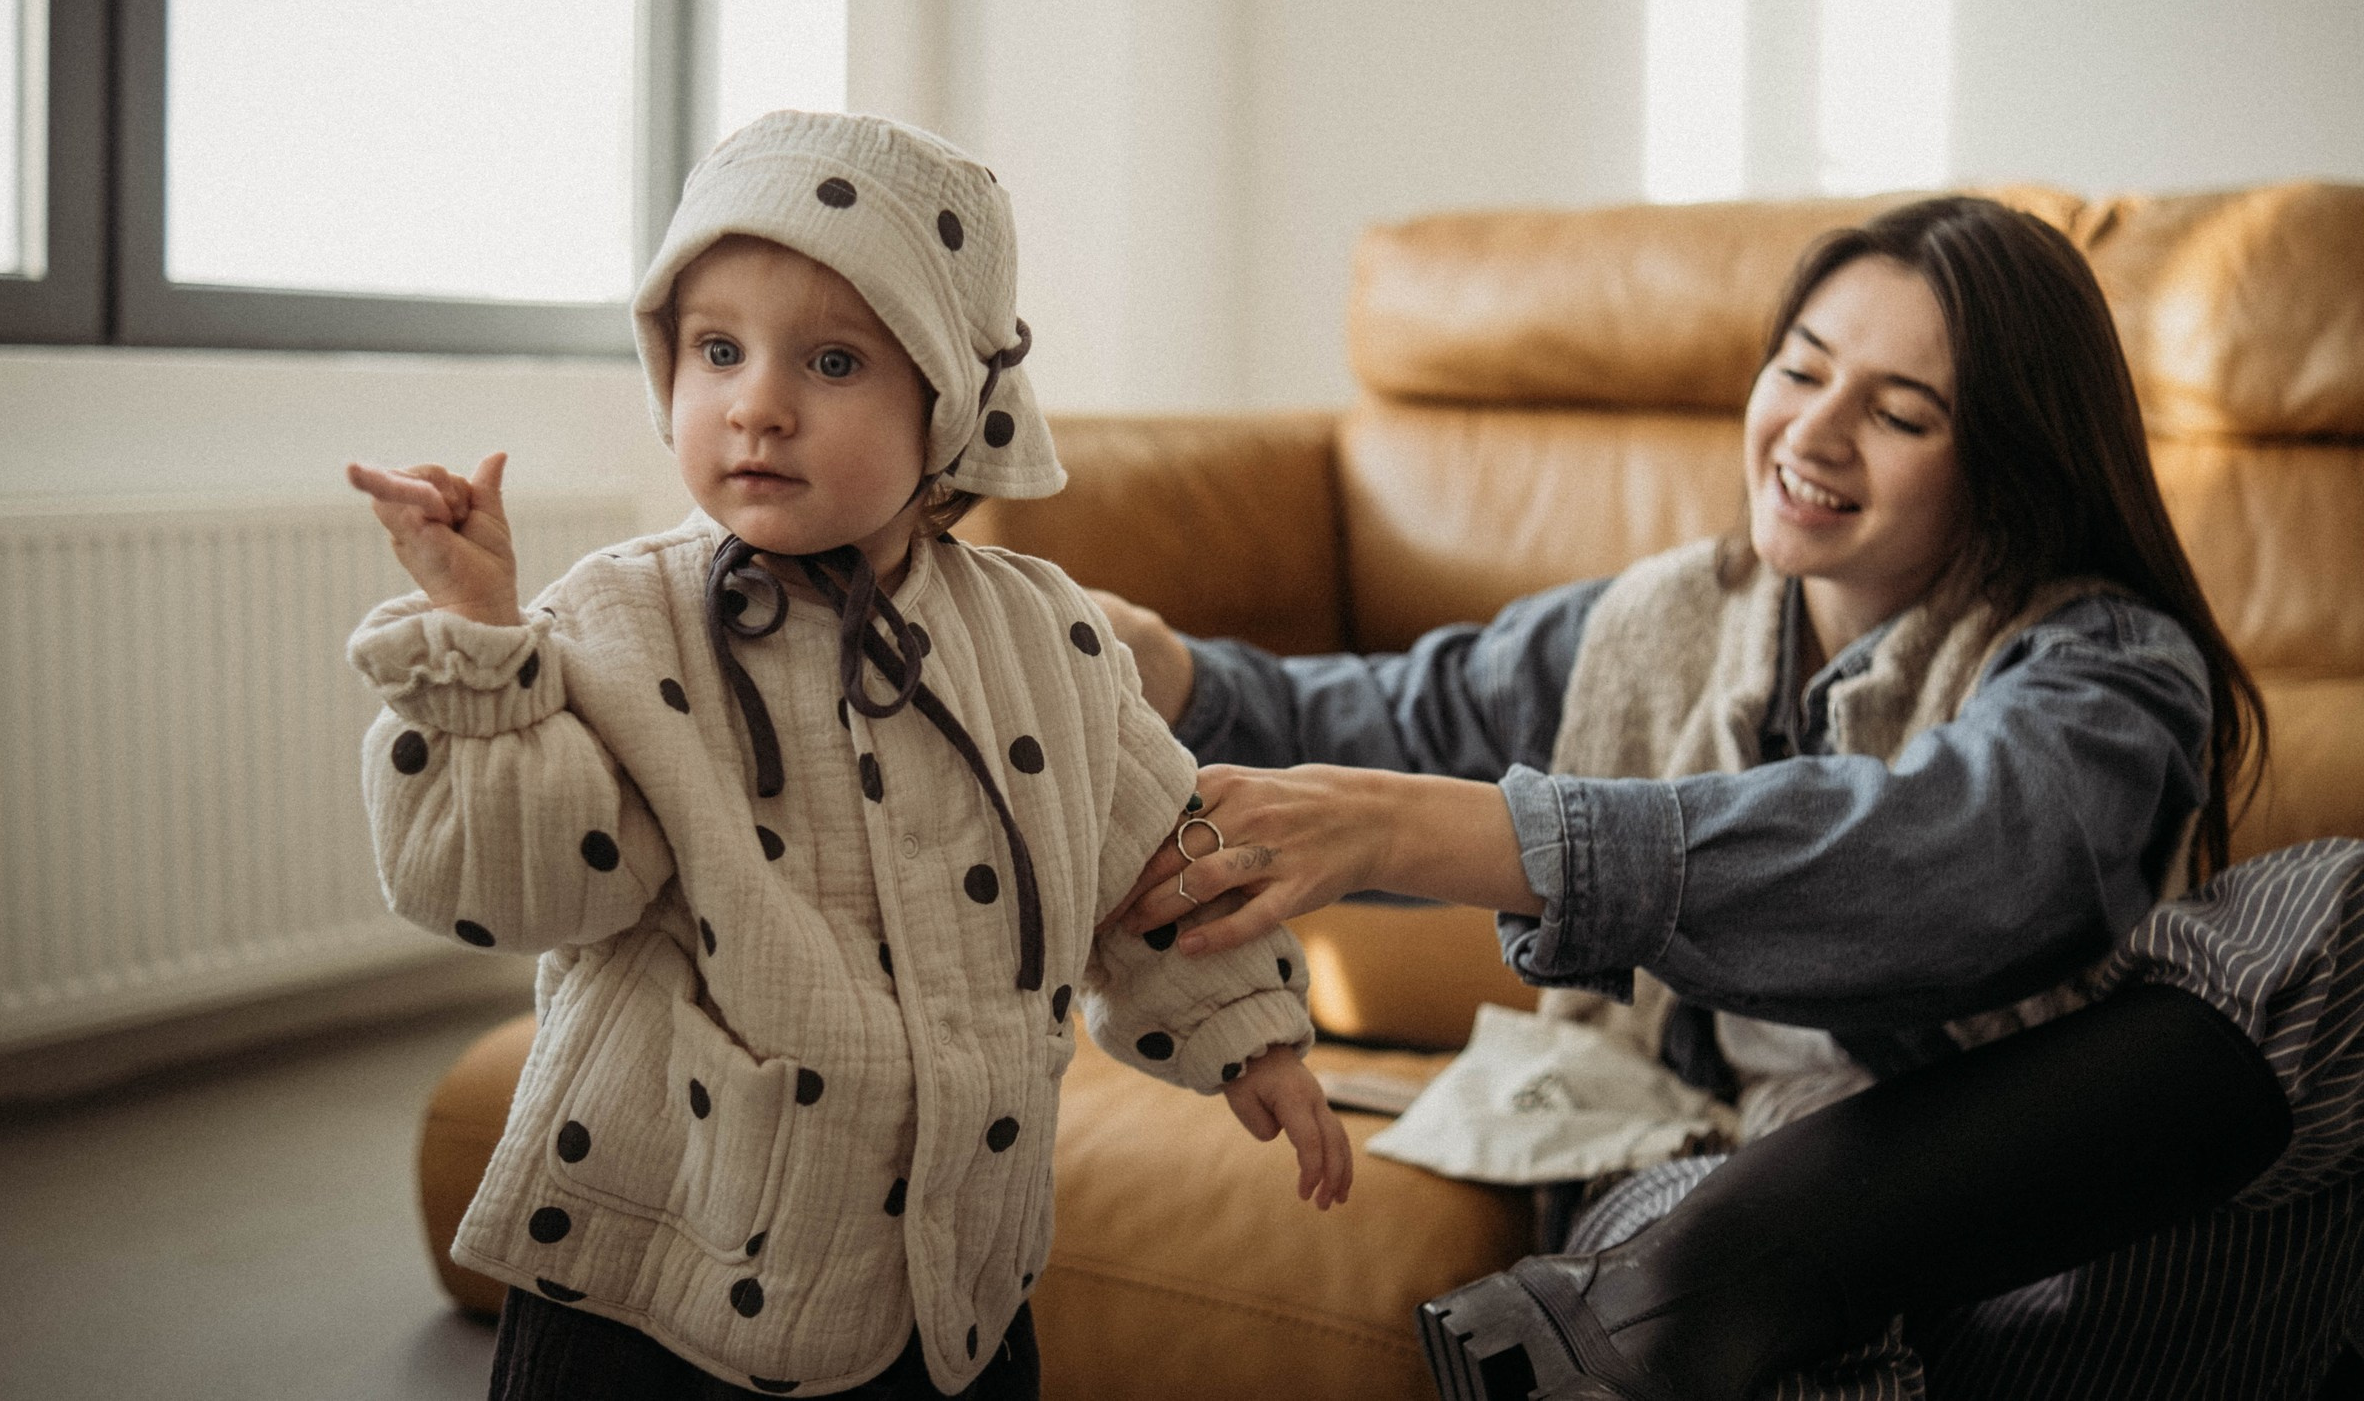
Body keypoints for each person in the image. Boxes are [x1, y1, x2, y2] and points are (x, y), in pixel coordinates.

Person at [1092, 196, 2364, 1400]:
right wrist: (1172, 671)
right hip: (1717, 1188)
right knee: (1652, 1271)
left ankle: (1724, 1277)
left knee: (2339, 907)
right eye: (1800, 371)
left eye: (1902, 414)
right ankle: (1716, 1282)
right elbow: (1385, 723)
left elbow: (1960, 866)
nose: (1814, 433)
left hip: (2073, 1231)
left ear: (2010, 466)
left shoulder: (2104, 670)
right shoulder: (1654, 623)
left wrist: (1462, 831)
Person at [344, 110, 1350, 1401]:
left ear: (946, 403)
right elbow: (514, 884)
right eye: (716, 349)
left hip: (950, 1290)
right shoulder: (613, 624)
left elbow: (1157, 856)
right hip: (658, 1283)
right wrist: (483, 645)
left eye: (830, 360)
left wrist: (1252, 1037)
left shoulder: (1049, 638)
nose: (757, 403)